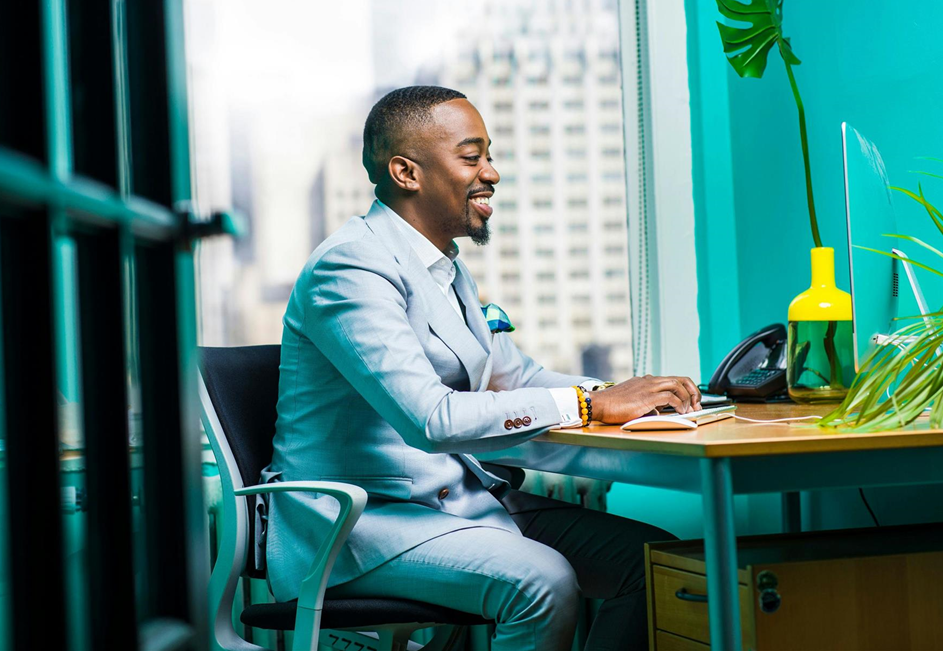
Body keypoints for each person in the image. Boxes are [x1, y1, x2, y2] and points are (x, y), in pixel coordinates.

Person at [262, 86, 702, 651]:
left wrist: (623, 393)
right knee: (541, 583)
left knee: (648, 564)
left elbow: (512, 378)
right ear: (406, 172)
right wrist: (591, 405)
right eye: (473, 157)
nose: (491, 173)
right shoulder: (349, 267)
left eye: (489, 156)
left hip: (456, 505)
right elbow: (432, 419)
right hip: (361, 529)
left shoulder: (442, 265)